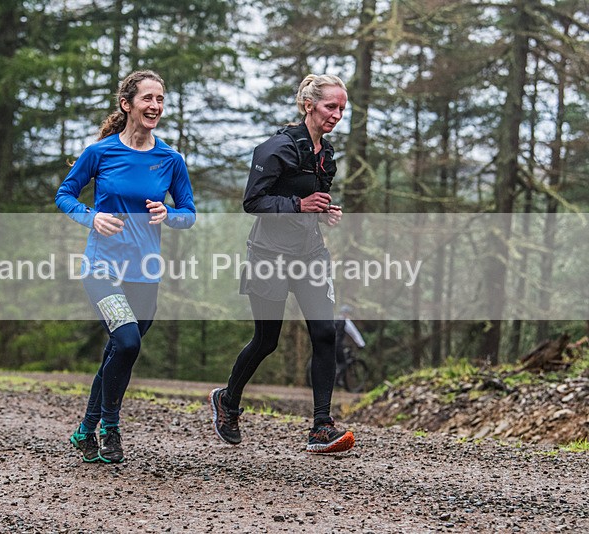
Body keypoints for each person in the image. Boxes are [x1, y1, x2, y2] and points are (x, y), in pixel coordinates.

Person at [209, 74, 355, 454]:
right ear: (309, 106)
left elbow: (311, 200)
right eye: (330, 106)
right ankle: (228, 400)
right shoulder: (275, 149)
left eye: (342, 108)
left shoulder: (326, 155)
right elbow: (253, 202)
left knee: (326, 334)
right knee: (267, 340)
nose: (337, 114)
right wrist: (299, 205)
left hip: (310, 255)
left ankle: (321, 426)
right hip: (268, 255)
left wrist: (323, 212)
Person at [56, 70, 196, 463]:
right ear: (127, 104)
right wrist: (90, 217)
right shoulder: (100, 153)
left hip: (144, 272)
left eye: (161, 99)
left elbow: (189, 214)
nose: (155, 106)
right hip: (103, 268)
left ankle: (85, 428)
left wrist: (168, 213)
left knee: (119, 349)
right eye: (148, 99)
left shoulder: (169, 159)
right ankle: (111, 429)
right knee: (128, 341)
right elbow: (65, 194)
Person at [335, 304, 366, 380]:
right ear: (346, 313)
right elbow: (355, 334)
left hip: (327, 343)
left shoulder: (335, 319)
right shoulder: (346, 322)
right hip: (337, 345)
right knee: (343, 364)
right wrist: (361, 344)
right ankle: (337, 379)